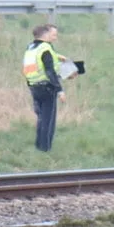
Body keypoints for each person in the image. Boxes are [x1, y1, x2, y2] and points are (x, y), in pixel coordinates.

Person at [22, 24, 66, 152]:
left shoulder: (30, 48)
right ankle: (45, 149)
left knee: (41, 118)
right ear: (45, 35)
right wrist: (60, 90)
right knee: (48, 120)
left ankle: (38, 146)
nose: (54, 37)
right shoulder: (46, 48)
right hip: (47, 87)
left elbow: (39, 62)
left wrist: (57, 57)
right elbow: (50, 71)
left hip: (34, 86)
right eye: (52, 34)